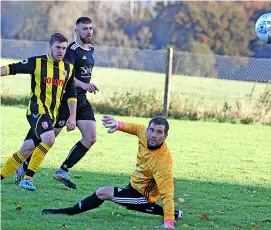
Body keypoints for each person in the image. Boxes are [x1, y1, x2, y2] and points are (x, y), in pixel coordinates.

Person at [41, 115, 183, 229]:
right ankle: (174, 214)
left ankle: (68, 211)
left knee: (103, 192)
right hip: (133, 185)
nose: (153, 135)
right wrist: (118, 125)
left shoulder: (163, 163)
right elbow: (134, 128)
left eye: (159, 132)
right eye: (151, 130)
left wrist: (168, 224)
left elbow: (167, 195)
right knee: (124, 201)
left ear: (165, 136)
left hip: (143, 196)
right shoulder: (143, 133)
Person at [16, 16, 99, 189]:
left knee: (91, 137)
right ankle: (23, 166)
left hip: (81, 99)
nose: (89, 32)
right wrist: (83, 84)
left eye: (90, 28)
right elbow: (65, 76)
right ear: (76, 31)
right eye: (85, 29)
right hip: (65, 101)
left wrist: (85, 87)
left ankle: (63, 170)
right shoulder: (71, 50)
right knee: (45, 137)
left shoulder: (91, 50)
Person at [0, 32, 77, 191]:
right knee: (49, 138)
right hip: (36, 111)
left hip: (51, 115)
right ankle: (28, 179)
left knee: (26, 149)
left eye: (64, 48)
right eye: (58, 47)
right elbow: (12, 68)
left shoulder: (68, 68)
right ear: (50, 47)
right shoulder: (37, 62)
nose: (61, 51)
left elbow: (71, 94)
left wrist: (73, 117)